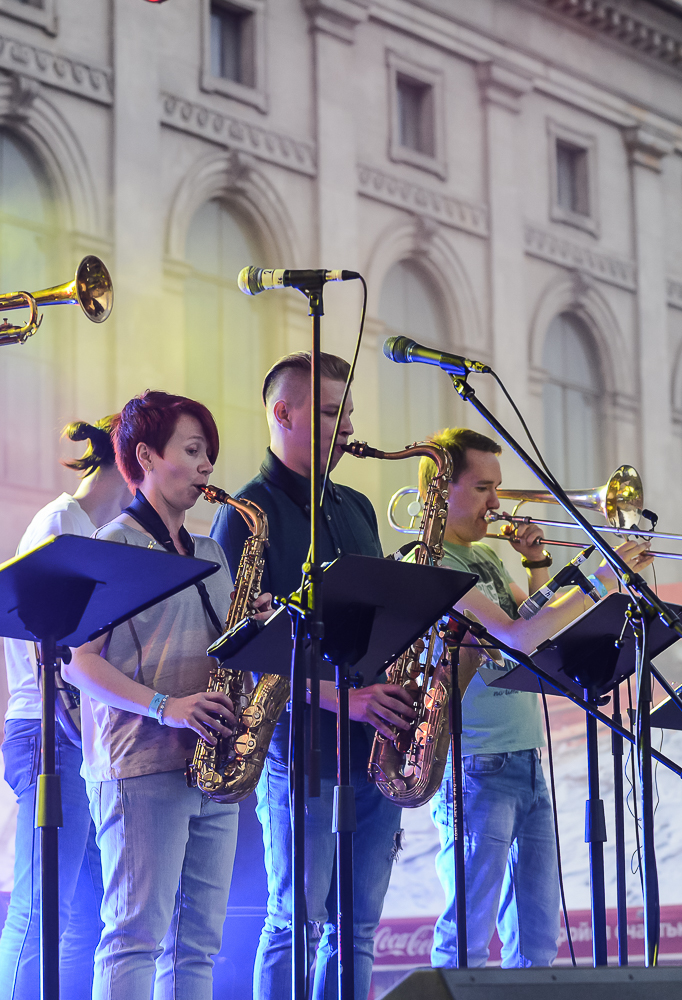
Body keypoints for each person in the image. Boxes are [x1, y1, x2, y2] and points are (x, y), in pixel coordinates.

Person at [210, 351, 415, 1000]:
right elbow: (239, 657)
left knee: (356, 930)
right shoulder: (246, 514)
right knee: (295, 921)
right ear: (283, 414)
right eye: (333, 412)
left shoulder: (356, 506)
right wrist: (346, 700)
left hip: (371, 745)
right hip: (300, 751)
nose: (349, 427)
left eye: (349, 412)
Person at [419, 427, 652, 968]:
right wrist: (602, 578)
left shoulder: (485, 559)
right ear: (440, 489)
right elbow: (515, 639)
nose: (498, 503)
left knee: (537, 940)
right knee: (467, 941)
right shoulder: (432, 561)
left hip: (522, 756)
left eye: (497, 487)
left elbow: (530, 622)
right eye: (483, 488)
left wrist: (537, 564)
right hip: (473, 762)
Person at [64, 390, 269, 1000]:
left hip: (212, 763)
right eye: (193, 450)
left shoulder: (209, 551)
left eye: (210, 453)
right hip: (140, 764)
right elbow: (78, 664)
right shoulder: (112, 545)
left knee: (198, 947)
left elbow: (213, 648)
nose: (208, 466)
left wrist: (252, 628)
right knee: (133, 938)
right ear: (146, 456)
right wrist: (166, 706)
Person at [0, 416, 130, 1000]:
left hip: (79, 735)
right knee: (41, 907)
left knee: (84, 917)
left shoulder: (95, 530)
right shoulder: (61, 523)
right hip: (51, 732)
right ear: (134, 462)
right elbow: (43, 651)